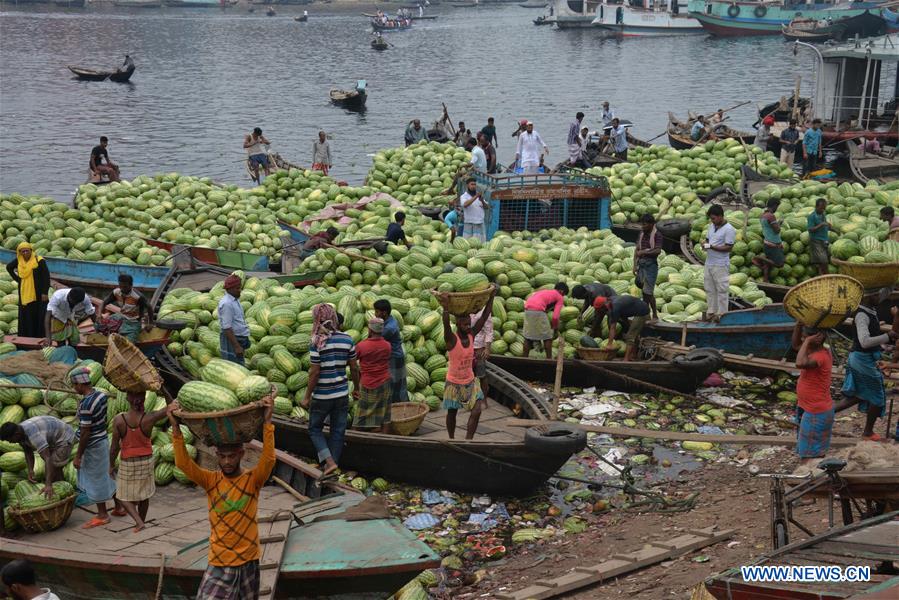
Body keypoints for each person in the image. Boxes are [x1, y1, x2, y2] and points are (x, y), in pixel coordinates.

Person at [168, 392, 275, 600]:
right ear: (216, 456)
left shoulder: (253, 480)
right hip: (219, 561)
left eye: (232, 456)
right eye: (222, 456)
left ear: (241, 455)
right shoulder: (211, 481)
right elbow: (183, 464)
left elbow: (269, 459)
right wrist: (175, 428)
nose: (226, 462)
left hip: (248, 559)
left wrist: (268, 422)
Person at [302, 304, 359, 476]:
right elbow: (354, 368)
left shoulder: (317, 341)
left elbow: (314, 372)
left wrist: (306, 396)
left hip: (323, 395)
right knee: (337, 431)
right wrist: (357, 387)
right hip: (342, 393)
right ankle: (332, 467)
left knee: (314, 429)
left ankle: (329, 462)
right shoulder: (347, 338)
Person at [834, 291, 898, 441]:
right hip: (861, 360)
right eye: (877, 296)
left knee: (859, 395)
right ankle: (868, 432)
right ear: (868, 297)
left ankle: (825, 414)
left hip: (865, 358)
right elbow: (864, 341)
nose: (880, 298)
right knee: (877, 397)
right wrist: (887, 336)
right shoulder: (862, 315)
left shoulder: (870, 310)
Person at [437, 285, 497, 439]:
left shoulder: (471, 334)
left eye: (469, 323)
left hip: (470, 381)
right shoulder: (451, 339)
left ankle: (468, 440)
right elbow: (445, 324)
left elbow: (484, 317)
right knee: (452, 412)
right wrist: (445, 306)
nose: (468, 326)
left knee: (477, 410)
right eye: (464, 324)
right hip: (454, 383)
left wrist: (491, 297)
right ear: (457, 324)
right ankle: (451, 437)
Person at [70, 366, 124, 529]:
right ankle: (119, 507)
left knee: (96, 479)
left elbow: (86, 432)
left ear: (80, 385)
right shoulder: (100, 395)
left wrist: (78, 456)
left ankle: (102, 515)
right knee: (106, 475)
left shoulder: (86, 403)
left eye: (74, 385)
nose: (74, 389)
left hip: (93, 446)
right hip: (102, 440)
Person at [108, 392, 168, 532]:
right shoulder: (149, 418)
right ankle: (141, 521)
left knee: (121, 495)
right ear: (144, 399)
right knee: (144, 494)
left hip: (128, 461)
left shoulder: (119, 420)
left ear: (128, 399)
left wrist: (111, 465)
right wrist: (164, 389)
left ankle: (139, 522)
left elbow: (114, 447)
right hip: (146, 461)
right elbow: (171, 407)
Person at [0, 415, 74, 500]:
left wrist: (48, 484)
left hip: (64, 436)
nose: (10, 443)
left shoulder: (34, 435)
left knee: (54, 464)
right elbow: (28, 452)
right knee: (54, 467)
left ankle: (65, 494)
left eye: (10, 440)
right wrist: (30, 470)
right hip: (52, 437)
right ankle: (60, 490)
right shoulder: (20, 432)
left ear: (16, 434)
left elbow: (47, 458)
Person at [791, 324, 834, 465]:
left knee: (809, 456)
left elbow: (799, 363)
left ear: (815, 339)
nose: (803, 340)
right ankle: (813, 479)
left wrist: (808, 340)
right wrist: (798, 325)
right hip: (808, 408)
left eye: (805, 337)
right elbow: (796, 345)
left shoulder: (820, 356)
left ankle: (809, 482)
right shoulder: (813, 350)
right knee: (811, 451)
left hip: (816, 411)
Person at [353, 318, 393, 433]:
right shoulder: (387, 345)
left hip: (368, 383)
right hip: (385, 381)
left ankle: (353, 434)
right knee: (385, 411)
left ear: (370, 330)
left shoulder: (361, 346)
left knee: (361, 412)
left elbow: (352, 362)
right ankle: (383, 435)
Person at [6, 241, 50, 338]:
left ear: (31, 250)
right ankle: (27, 336)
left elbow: (46, 277)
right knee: (27, 315)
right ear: (20, 252)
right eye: (23, 251)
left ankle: (39, 336)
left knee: (38, 314)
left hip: (38, 294)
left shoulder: (39, 260)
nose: (25, 253)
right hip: (24, 292)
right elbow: (9, 267)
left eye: (27, 251)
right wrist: (18, 279)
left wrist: (45, 292)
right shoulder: (19, 260)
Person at [702, 205, 736, 322]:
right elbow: (707, 240)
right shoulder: (711, 226)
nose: (712, 221)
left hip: (721, 264)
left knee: (722, 289)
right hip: (709, 262)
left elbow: (728, 247)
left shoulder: (729, 229)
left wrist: (712, 246)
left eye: (714, 218)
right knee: (709, 288)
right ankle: (711, 311)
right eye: (711, 219)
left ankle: (722, 314)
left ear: (721, 216)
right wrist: (705, 245)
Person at [592, 294, 650, 361]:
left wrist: (609, 344)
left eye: (599, 310)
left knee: (630, 336)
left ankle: (626, 359)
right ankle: (633, 355)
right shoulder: (611, 302)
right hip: (635, 310)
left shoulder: (615, 307)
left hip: (642, 312)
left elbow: (613, 327)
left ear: (603, 307)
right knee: (633, 334)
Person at [100, 274, 154, 343]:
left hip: (134, 321)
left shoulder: (137, 296)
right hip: (121, 316)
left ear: (131, 286)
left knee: (127, 344)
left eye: (125, 287)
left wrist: (150, 323)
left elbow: (149, 307)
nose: (122, 289)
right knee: (100, 325)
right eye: (120, 286)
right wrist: (99, 315)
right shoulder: (116, 292)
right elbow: (104, 302)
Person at [375, 299, 408, 408]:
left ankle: (399, 410)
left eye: (377, 311)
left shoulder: (389, 328)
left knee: (395, 386)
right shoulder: (389, 320)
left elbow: (374, 339)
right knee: (398, 385)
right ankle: (399, 408)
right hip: (394, 356)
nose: (375, 314)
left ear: (384, 313)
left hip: (394, 358)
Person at [522, 283, 569, 359]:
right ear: (562, 291)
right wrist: (555, 328)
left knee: (528, 337)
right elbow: (555, 317)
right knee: (548, 337)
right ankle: (549, 359)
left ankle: (523, 359)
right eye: (564, 294)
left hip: (527, 310)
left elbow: (536, 299)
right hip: (538, 311)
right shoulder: (559, 297)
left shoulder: (545, 291)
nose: (563, 296)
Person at [218, 274, 250, 365]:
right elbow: (226, 328)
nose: (240, 290)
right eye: (237, 288)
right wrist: (236, 346)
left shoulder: (234, 299)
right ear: (229, 289)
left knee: (239, 363)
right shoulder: (227, 304)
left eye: (240, 287)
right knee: (234, 366)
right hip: (232, 340)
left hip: (238, 338)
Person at [634, 214, 661, 320]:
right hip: (641, 265)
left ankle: (651, 315)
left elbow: (658, 250)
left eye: (645, 225)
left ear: (651, 225)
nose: (643, 227)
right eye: (642, 224)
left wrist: (645, 251)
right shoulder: (642, 234)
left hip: (651, 266)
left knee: (648, 292)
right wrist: (634, 265)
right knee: (644, 291)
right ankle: (647, 314)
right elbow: (636, 250)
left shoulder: (657, 235)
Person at [470, 301, 494, 422]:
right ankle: (470, 400)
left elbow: (489, 331)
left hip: (479, 349)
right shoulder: (465, 308)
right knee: (469, 376)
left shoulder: (484, 311)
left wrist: (487, 348)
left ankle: (484, 400)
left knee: (481, 375)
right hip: (467, 348)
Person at [751, 199, 785, 283]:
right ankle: (758, 258)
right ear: (774, 206)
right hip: (773, 243)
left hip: (767, 243)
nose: (777, 208)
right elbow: (777, 230)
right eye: (777, 206)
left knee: (767, 264)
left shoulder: (763, 215)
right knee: (780, 264)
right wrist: (779, 223)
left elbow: (769, 228)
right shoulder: (771, 216)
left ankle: (765, 279)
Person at [460, 177, 488, 242]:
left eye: (475, 184)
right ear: (467, 185)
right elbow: (465, 204)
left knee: (479, 242)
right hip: (469, 223)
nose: (473, 186)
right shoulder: (464, 196)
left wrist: (482, 201)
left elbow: (486, 207)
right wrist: (476, 196)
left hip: (479, 223)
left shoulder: (479, 196)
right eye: (472, 184)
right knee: (468, 242)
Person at [807, 198, 830, 276]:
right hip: (816, 241)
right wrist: (821, 224)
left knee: (821, 263)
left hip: (824, 241)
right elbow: (810, 229)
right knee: (824, 262)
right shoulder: (811, 216)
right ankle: (827, 277)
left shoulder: (822, 214)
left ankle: (821, 277)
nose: (823, 210)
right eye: (821, 208)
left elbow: (825, 224)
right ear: (816, 206)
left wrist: (833, 228)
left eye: (824, 208)